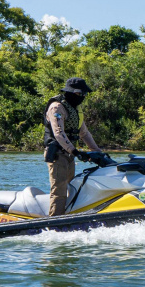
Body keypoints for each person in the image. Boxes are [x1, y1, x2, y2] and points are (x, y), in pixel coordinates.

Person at [43, 77, 103, 216]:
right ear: (70, 92)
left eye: (84, 94)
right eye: (79, 94)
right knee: (60, 189)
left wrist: (97, 151)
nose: (82, 97)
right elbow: (58, 133)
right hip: (57, 154)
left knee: (72, 186)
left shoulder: (75, 108)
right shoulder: (57, 107)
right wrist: (75, 152)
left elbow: (84, 133)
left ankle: (72, 216)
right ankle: (55, 222)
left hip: (69, 155)